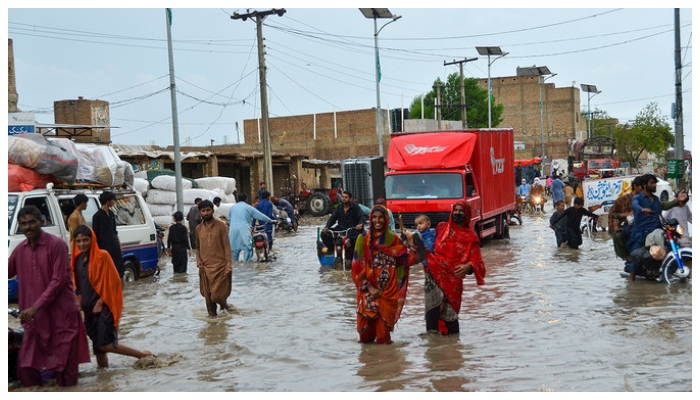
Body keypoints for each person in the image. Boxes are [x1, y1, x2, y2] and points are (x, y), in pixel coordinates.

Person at [8, 206, 91, 387]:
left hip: (61, 316)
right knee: (25, 367)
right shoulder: (19, 249)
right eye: (23, 224)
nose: (28, 227)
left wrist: (35, 308)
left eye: (32, 222)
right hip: (34, 319)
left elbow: (58, 280)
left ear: (42, 222)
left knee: (65, 373)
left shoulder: (56, 244)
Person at [70, 225, 154, 367]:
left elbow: (115, 282)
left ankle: (142, 355)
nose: (82, 244)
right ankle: (105, 379)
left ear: (93, 240)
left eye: (85, 240)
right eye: (78, 241)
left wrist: (100, 302)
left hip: (104, 307)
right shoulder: (77, 261)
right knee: (98, 349)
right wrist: (78, 303)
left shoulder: (103, 256)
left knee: (105, 344)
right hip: (88, 309)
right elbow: (77, 286)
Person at [351, 204, 419, 344]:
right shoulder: (362, 240)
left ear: (387, 219)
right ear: (370, 218)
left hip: (388, 295)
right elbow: (356, 270)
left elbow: (409, 260)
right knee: (365, 338)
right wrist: (369, 288)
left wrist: (411, 241)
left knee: (383, 338)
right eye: (374, 217)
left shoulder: (394, 241)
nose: (378, 220)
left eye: (381, 217)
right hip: (367, 294)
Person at [422, 201, 486, 335]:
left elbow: (478, 263)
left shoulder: (470, 236)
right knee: (432, 315)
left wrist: (468, 266)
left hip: (453, 282)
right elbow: (426, 241)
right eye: (455, 210)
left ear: (467, 214)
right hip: (434, 276)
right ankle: (434, 350)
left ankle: (454, 351)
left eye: (461, 211)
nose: (457, 213)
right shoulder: (441, 228)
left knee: (452, 322)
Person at [196, 199, 234, 317]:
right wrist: (198, 260)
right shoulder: (198, 229)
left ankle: (223, 304)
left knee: (216, 295)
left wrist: (229, 265)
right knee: (209, 302)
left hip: (220, 267)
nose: (206, 213)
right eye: (203, 211)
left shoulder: (221, 226)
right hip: (205, 269)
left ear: (212, 211)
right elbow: (197, 247)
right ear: (200, 212)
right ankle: (213, 328)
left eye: (208, 210)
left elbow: (226, 246)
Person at [321, 191, 367, 262]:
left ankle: (355, 256)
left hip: (351, 230)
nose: (344, 199)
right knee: (324, 234)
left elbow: (363, 216)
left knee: (358, 237)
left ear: (350, 199)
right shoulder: (339, 208)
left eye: (346, 197)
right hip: (340, 229)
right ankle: (332, 251)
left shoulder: (355, 208)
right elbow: (333, 218)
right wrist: (327, 227)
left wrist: (360, 224)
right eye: (343, 197)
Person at [608, 176, 644, 264]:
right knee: (619, 236)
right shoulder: (622, 200)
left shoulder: (647, 199)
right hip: (628, 226)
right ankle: (628, 257)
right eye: (641, 187)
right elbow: (612, 213)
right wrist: (625, 214)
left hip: (644, 225)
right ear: (635, 186)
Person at [228, 193, 274, 262]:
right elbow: (259, 215)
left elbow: (229, 220)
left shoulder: (232, 208)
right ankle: (247, 268)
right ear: (246, 199)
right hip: (244, 231)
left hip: (232, 232)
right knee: (248, 249)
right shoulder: (248, 207)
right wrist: (270, 220)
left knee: (234, 253)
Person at [92, 191, 124, 278]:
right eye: (113, 200)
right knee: (107, 272)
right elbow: (95, 234)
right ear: (108, 201)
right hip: (104, 248)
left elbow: (114, 231)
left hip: (114, 246)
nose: (114, 202)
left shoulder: (112, 214)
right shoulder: (97, 216)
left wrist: (119, 244)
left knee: (118, 271)